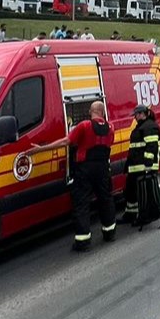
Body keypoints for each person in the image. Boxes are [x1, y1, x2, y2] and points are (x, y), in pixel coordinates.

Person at [25, 101, 116, 251]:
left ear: (90, 111)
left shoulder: (84, 126)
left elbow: (66, 141)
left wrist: (41, 149)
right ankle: (110, 233)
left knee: (82, 204)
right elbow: (107, 144)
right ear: (102, 112)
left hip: (85, 169)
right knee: (105, 199)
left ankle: (83, 241)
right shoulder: (110, 128)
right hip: (103, 168)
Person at [121, 104, 160, 223]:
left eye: (136, 115)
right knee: (130, 192)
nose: (135, 117)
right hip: (136, 167)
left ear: (142, 114)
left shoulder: (149, 127)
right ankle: (131, 214)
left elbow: (152, 147)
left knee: (144, 193)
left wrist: (148, 165)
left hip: (144, 167)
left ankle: (145, 216)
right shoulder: (142, 126)